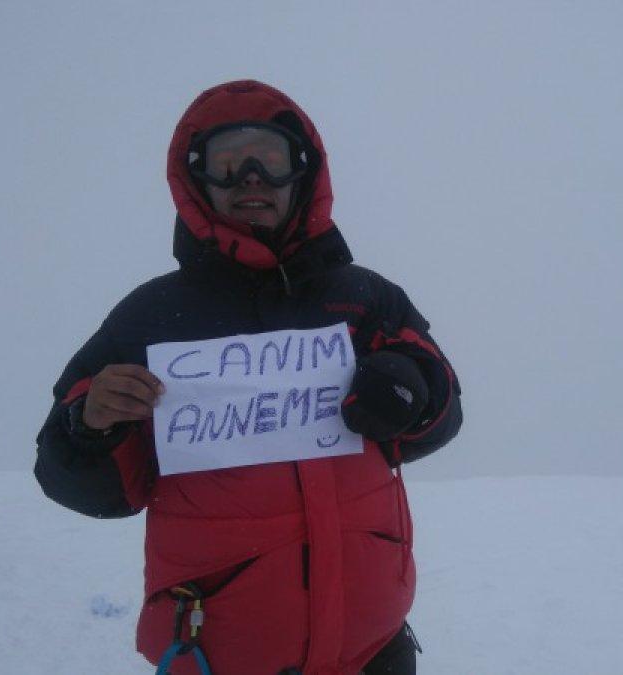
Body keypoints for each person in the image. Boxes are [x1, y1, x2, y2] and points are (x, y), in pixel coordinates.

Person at [34, 80, 462, 675]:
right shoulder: (150, 316)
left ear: (303, 173)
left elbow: (440, 410)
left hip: (374, 652)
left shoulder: (367, 299)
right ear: (197, 181)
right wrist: (89, 423)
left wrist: (409, 387)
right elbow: (90, 488)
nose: (251, 178)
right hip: (218, 655)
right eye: (228, 164)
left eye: (271, 159)